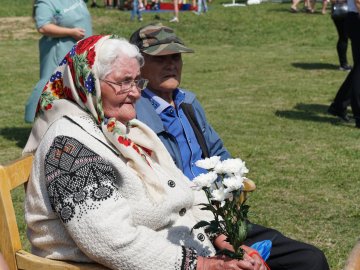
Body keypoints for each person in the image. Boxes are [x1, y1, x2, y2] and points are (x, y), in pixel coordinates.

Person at [23, 35, 265, 270]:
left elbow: (182, 189)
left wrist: (225, 239)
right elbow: (112, 243)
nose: (136, 93)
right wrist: (205, 265)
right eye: (123, 82)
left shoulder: (119, 130)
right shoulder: (68, 148)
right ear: (89, 83)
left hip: (186, 248)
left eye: (137, 81)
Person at [130, 22, 330, 270]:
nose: (171, 64)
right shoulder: (134, 114)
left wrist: (232, 192)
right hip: (182, 226)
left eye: (176, 57)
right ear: (137, 65)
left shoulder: (188, 102)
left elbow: (219, 154)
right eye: (160, 58)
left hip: (222, 218)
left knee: (309, 259)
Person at [24, 0, 92, 123]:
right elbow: (43, 27)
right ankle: (39, 118)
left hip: (81, 51)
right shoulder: (46, 2)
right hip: (58, 51)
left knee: (77, 86)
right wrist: (71, 32)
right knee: (52, 84)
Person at [328, 0, 360, 127]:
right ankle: (357, 113)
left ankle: (339, 105)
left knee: (358, 68)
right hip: (356, 19)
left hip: (354, 19)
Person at [331, 0, 352, 71]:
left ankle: (343, 64)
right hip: (344, 12)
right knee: (344, 37)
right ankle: (343, 64)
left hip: (339, 11)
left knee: (343, 37)